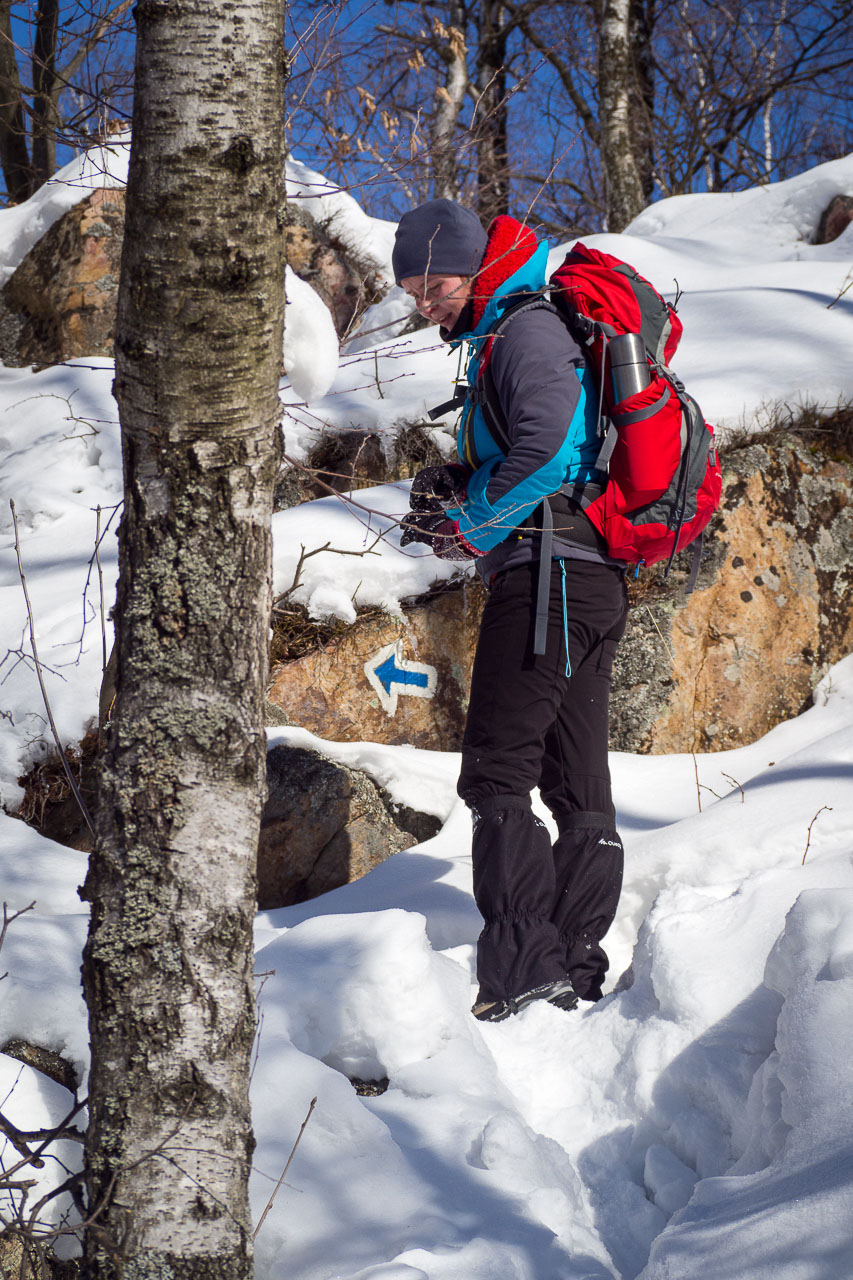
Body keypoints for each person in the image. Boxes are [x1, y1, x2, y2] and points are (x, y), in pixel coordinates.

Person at [393, 199, 629, 1022]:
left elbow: (547, 453)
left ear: (473, 267)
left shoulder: (524, 327)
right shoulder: (520, 328)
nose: (425, 302)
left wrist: (466, 522)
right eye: (413, 290)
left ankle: (525, 972)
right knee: (576, 782)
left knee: (497, 771)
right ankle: (571, 962)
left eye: (435, 282)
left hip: (548, 575)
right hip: (582, 575)